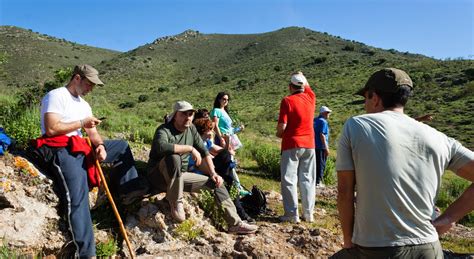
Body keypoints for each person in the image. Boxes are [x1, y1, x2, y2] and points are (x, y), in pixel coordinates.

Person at [332, 68, 474, 258]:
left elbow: (345, 191)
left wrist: (348, 239)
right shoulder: (440, 138)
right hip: (429, 247)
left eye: (366, 98)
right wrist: (449, 218)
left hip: (376, 248)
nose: (365, 104)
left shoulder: (356, 125)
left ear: (374, 97)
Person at [34, 64, 148, 258]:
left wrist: (100, 147)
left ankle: (129, 190)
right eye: (89, 84)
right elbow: (51, 129)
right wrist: (81, 123)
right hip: (60, 148)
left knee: (121, 147)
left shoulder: (84, 105)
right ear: (77, 78)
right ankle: (87, 253)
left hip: (81, 144)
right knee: (78, 196)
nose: (90, 89)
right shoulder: (56, 96)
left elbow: (92, 132)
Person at [146, 101, 258, 234]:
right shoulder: (164, 130)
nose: (188, 117)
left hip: (179, 177)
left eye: (190, 114)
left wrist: (213, 173)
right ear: (175, 115)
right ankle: (175, 202)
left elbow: (204, 152)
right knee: (174, 157)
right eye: (183, 114)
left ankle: (235, 223)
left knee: (216, 183)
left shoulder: (191, 129)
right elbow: (161, 147)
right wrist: (189, 148)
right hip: (158, 175)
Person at [191, 118, 255, 223]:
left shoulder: (206, 142)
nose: (212, 132)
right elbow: (202, 166)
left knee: (225, 155)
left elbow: (220, 150)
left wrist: (228, 148)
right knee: (228, 179)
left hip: (210, 169)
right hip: (200, 171)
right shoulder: (196, 145)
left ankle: (240, 211)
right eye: (210, 130)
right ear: (202, 131)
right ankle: (241, 212)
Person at [276, 71, 316, 223]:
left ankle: (292, 214)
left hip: (292, 143)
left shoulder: (287, 101)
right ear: (303, 86)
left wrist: (279, 134)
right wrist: (302, 75)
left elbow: (282, 125)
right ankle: (309, 214)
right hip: (310, 145)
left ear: (290, 87)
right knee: (307, 179)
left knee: (289, 179)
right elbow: (307, 86)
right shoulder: (311, 98)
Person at [314, 105, 332, 187]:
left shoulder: (315, 120)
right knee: (321, 164)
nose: (329, 114)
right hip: (321, 146)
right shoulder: (323, 122)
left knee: (315, 164)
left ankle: (314, 180)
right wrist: (326, 148)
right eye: (328, 113)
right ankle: (318, 182)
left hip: (313, 145)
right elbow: (322, 135)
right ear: (324, 113)